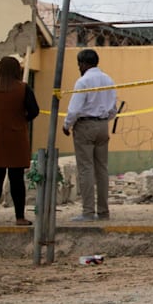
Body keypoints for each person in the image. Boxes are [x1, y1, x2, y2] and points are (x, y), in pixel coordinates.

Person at [0, 56, 39, 226]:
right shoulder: (23, 89)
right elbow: (34, 111)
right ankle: (19, 217)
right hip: (16, 136)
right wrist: (21, 119)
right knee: (17, 179)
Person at [62, 49, 117, 222]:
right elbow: (113, 108)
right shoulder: (108, 79)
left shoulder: (83, 81)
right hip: (102, 125)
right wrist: (104, 120)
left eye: (79, 64)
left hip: (85, 125)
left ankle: (87, 211)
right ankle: (103, 211)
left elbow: (75, 108)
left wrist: (67, 124)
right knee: (102, 169)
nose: (79, 67)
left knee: (86, 168)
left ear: (84, 63)